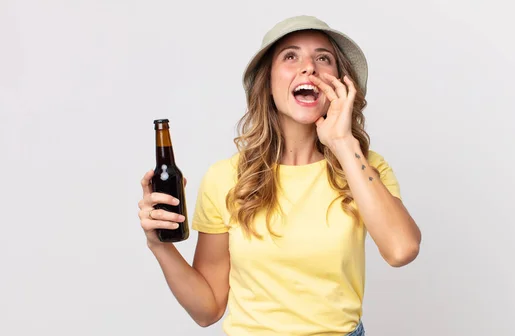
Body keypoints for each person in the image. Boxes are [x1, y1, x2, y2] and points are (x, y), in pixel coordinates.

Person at [137, 15, 422, 336]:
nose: (309, 68)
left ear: (340, 83)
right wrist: (159, 245)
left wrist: (343, 142)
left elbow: (401, 250)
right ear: (268, 83)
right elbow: (208, 309)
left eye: (323, 58)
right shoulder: (225, 178)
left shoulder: (364, 166)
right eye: (291, 56)